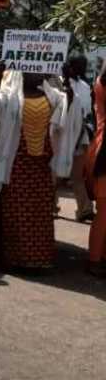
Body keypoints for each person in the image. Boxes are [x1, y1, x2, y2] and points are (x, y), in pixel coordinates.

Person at [0, 66, 68, 272]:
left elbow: (64, 117)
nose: (39, 75)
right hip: (17, 163)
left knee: (40, 214)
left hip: (41, 163)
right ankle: (14, 260)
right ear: (23, 72)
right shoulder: (10, 95)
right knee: (15, 212)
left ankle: (39, 260)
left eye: (42, 72)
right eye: (34, 71)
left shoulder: (54, 96)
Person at [63, 56, 95, 223]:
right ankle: (49, 206)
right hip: (61, 133)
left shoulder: (84, 86)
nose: (83, 68)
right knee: (55, 174)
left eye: (85, 65)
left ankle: (85, 209)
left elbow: (87, 111)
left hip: (80, 133)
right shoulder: (60, 83)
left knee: (77, 176)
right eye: (80, 65)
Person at [84, 59, 106, 275]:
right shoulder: (103, 84)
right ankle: (94, 260)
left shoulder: (99, 82)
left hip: (101, 149)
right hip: (104, 153)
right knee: (104, 213)